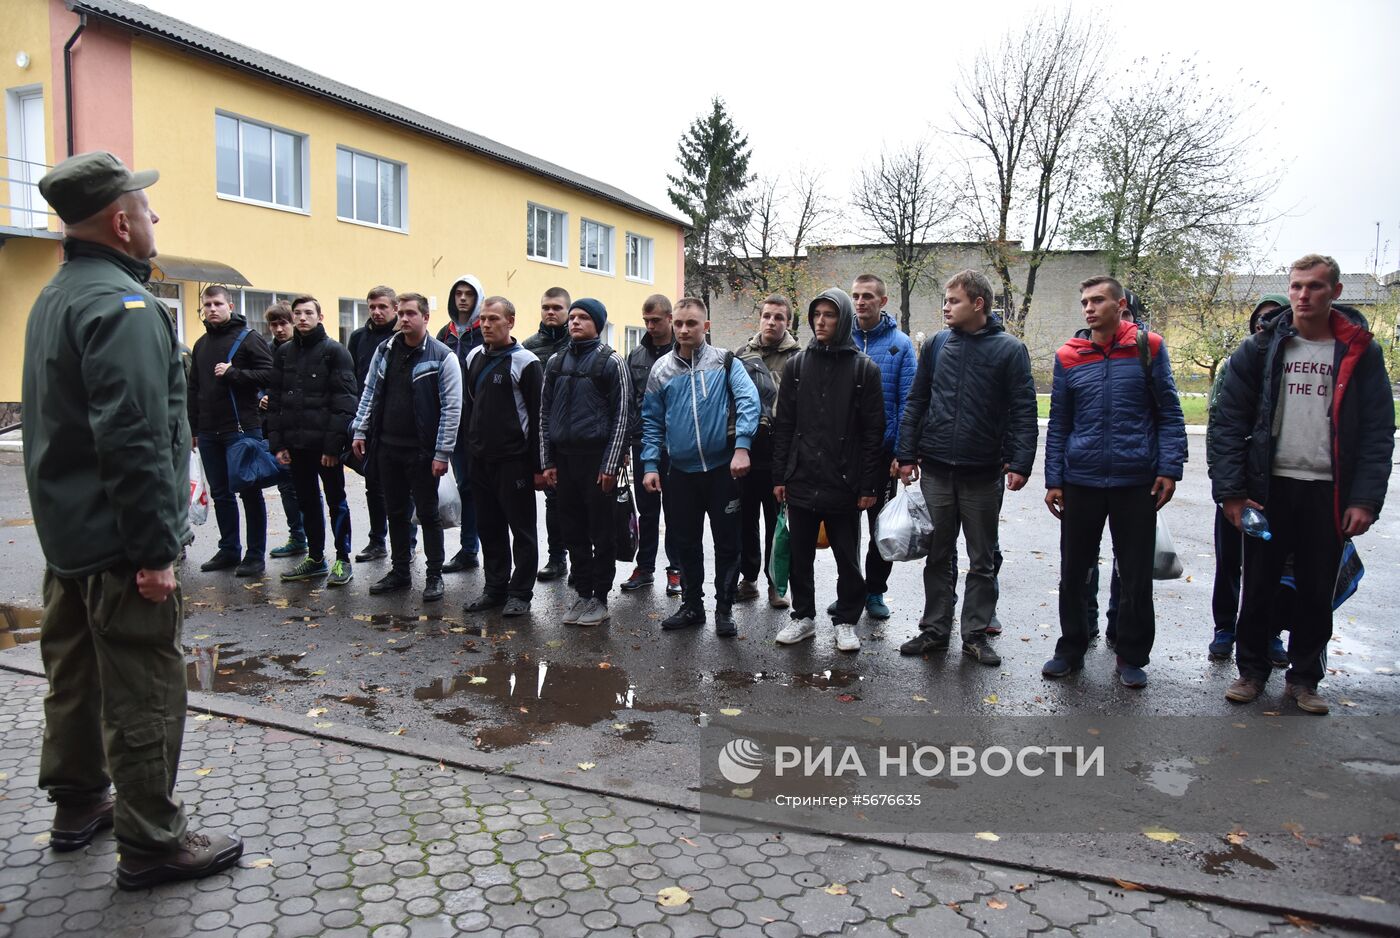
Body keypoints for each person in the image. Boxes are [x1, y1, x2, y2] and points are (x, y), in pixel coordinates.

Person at [22, 150, 242, 887]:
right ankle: (151, 839)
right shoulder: (122, 308)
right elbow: (136, 438)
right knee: (143, 687)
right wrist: (155, 550)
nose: (155, 219)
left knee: (75, 677)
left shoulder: (57, 296)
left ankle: (79, 804)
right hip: (121, 546)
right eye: (146, 210)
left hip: (71, 540)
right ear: (121, 222)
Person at [1211, 254, 1394, 714]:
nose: (1302, 295)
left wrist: (1365, 500)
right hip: (1269, 489)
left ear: (1335, 292)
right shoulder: (1261, 347)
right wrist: (1232, 493)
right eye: (1295, 286)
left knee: (1316, 591)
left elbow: (1376, 431)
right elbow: (1228, 420)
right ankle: (1251, 672)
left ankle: (1304, 680)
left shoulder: (1359, 350)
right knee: (1257, 586)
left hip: (1328, 493)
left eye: (1313, 286)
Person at [1042, 276, 1187, 687]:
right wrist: (1055, 479)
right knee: (1074, 572)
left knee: (1135, 574)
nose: (1089, 308)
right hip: (1081, 480)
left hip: (1134, 480)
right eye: (1084, 301)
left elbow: (1170, 414)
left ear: (1120, 305)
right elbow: (1060, 424)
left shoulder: (1148, 347)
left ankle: (1131, 654)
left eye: (1098, 300)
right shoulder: (1069, 355)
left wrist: (1168, 468)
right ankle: (1071, 648)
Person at [896, 270, 1038, 666]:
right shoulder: (938, 345)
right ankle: (934, 631)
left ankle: (975, 634)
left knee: (982, 559)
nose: (945, 306)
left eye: (953, 300)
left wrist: (1020, 461)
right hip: (938, 469)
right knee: (938, 555)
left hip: (983, 472)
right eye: (944, 299)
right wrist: (907, 454)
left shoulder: (1010, 350)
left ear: (978, 304)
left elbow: (1024, 411)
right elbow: (917, 402)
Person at [771, 288, 885, 652]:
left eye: (830, 314)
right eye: (816, 314)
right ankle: (803, 616)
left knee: (847, 559)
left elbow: (873, 433)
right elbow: (784, 424)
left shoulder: (863, 369)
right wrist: (780, 476)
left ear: (845, 319)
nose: (821, 321)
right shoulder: (798, 365)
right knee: (799, 554)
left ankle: (846, 620)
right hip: (802, 477)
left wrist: (869, 484)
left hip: (845, 482)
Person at [641, 297, 760, 636]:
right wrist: (650, 464)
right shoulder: (661, 370)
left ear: (705, 326)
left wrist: (742, 448)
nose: (683, 329)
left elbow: (749, 401)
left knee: (727, 543)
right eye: (678, 323)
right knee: (685, 543)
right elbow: (651, 421)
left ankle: (724, 610)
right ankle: (693, 606)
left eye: (691, 323)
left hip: (723, 470)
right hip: (680, 473)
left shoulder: (724, 361)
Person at [351, 292, 461, 602]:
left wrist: (442, 453)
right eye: (400, 313)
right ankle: (400, 571)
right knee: (395, 512)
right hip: (387, 446)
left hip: (422, 452)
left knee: (428, 514)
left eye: (411, 313)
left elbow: (452, 408)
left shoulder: (442, 356)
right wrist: (361, 429)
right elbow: (370, 391)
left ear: (426, 318)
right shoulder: (385, 350)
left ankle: (434, 575)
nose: (404, 319)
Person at [1207, 294, 1291, 664]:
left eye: (1273, 317)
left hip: (1278, 484)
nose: (1265, 324)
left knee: (1274, 566)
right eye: (1259, 318)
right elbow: (1219, 423)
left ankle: (1269, 633)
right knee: (1229, 562)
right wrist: (1226, 486)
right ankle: (1225, 628)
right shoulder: (1236, 363)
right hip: (1237, 483)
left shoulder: (1292, 362)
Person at [539, 298, 631, 627]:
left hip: (596, 460)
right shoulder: (555, 361)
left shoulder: (610, 362)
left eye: (583, 318)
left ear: (598, 323)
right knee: (572, 529)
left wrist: (610, 465)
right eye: (572, 317)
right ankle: (582, 591)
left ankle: (601, 597)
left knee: (601, 532)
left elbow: (622, 416)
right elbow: (544, 414)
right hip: (564, 460)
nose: (575, 322)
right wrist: (547, 460)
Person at [268, 295, 358, 587]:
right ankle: (316, 558)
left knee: (336, 502)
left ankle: (343, 559)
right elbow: (276, 402)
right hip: (295, 445)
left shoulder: (335, 352)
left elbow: (344, 403)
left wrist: (333, 447)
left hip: (325, 448)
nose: (302, 318)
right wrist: (278, 444)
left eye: (309, 313)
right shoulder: (283, 354)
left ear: (321, 317)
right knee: (307, 502)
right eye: (298, 313)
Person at [462, 297, 544, 617]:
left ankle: (520, 592)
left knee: (521, 530)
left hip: (515, 462)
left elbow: (538, 418)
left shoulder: (526, 362)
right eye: (482, 319)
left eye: (493, 319)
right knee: (489, 528)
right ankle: (495, 589)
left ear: (510, 322)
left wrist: (538, 467)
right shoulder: (472, 358)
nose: (486, 324)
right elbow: (470, 407)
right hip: (480, 461)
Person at [188, 283, 274, 577]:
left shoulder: (249, 339)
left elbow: (271, 374)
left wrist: (234, 373)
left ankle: (255, 554)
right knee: (221, 494)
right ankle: (229, 549)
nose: (212, 309)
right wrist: (193, 426)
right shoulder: (200, 345)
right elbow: (194, 388)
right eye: (207, 305)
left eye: (217, 304)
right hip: (210, 432)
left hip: (242, 429)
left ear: (230, 307)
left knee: (249, 492)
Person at [845, 274, 917, 621]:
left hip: (882, 455)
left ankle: (875, 591)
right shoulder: (841, 339)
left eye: (868, 296)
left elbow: (908, 401)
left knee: (880, 529)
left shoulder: (900, 345)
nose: (861, 302)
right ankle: (850, 591)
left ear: (882, 301)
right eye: (856, 296)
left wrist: (902, 453)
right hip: (843, 456)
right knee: (845, 529)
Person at [734, 294, 801, 609]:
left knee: (777, 523)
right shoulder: (741, 357)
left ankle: (776, 583)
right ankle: (748, 580)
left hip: (780, 454)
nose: (772, 322)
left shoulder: (798, 358)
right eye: (767, 316)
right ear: (759, 319)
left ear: (787, 322)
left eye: (779, 317)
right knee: (745, 521)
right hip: (747, 451)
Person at [622, 294, 681, 594]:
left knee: (676, 510)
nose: (650, 326)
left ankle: (677, 570)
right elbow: (629, 402)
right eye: (646, 321)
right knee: (647, 510)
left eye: (655, 320)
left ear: (670, 318)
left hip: (677, 446)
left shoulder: (684, 351)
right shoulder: (635, 356)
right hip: (643, 442)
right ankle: (645, 567)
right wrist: (626, 445)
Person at [347, 285, 400, 562]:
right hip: (368, 420)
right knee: (373, 484)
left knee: (403, 489)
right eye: (372, 307)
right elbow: (354, 379)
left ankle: (407, 543)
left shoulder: (403, 337)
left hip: (396, 421)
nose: (377, 312)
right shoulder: (359, 338)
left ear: (394, 308)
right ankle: (377, 540)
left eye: (382, 307)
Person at [524, 287, 573, 583]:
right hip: (545, 436)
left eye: (556, 307)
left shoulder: (580, 343)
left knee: (581, 502)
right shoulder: (529, 347)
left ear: (568, 311)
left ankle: (583, 558)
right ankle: (557, 559)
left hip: (577, 437)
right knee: (552, 501)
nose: (550, 312)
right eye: (546, 307)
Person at [437, 273, 484, 574]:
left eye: (469, 293)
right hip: (451, 422)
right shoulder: (446, 333)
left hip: (478, 424)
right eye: (458, 293)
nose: (463, 298)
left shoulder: (484, 331)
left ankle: (474, 548)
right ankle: (468, 549)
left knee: (476, 487)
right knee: (463, 484)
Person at [260, 301, 307, 560]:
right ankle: (298, 536)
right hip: (278, 431)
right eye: (274, 324)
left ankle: (313, 537)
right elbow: (259, 381)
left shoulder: (305, 350)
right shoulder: (266, 351)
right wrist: (261, 398)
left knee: (308, 488)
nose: (279, 329)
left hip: (303, 429)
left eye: (283, 323)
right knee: (286, 487)